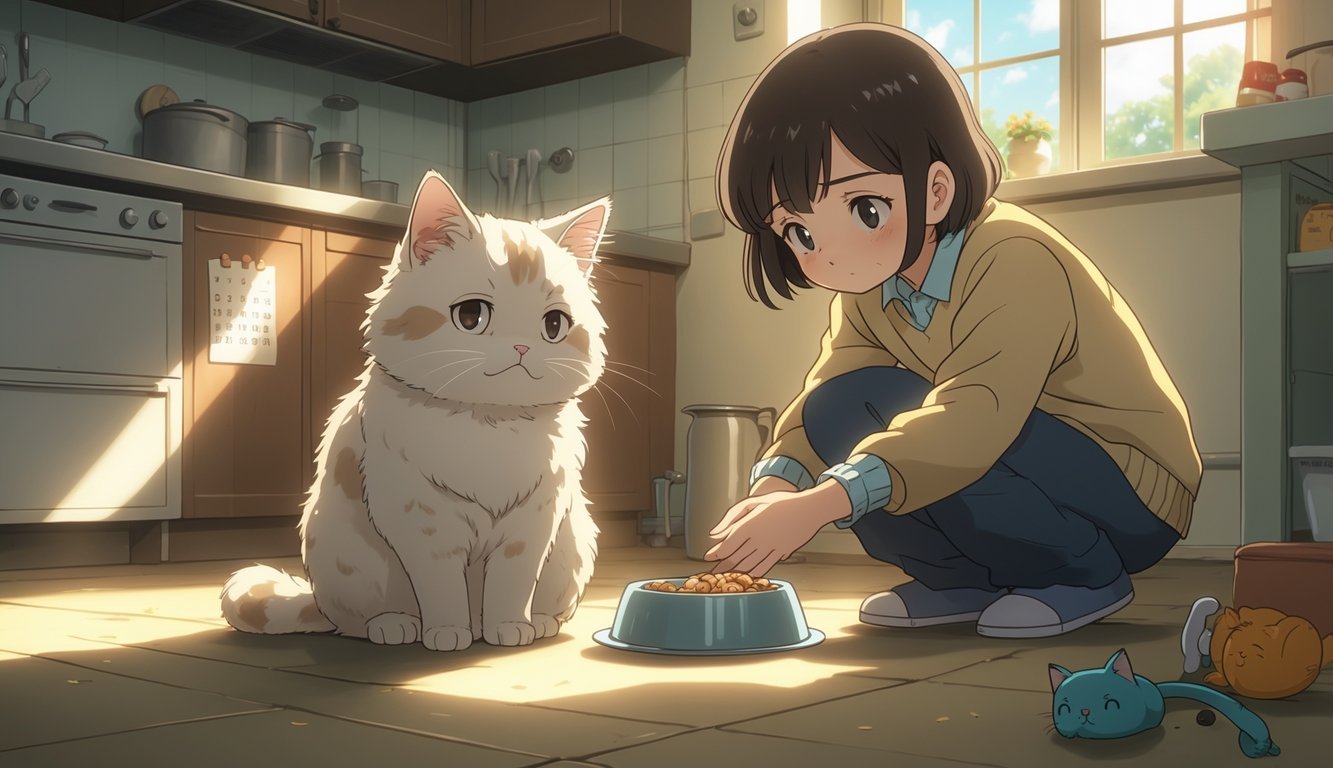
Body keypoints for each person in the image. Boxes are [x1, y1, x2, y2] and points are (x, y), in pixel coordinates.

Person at [703, 23, 1202, 639]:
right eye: (799, 232)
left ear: (936, 190)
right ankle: (962, 578)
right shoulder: (868, 286)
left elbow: (979, 413)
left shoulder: (1013, 254)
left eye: (864, 209)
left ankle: (1082, 573)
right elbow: (826, 396)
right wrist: (778, 485)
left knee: (928, 422)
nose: (827, 254)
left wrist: (819, 504)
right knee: (840, 406)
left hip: (1126, 488)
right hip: (1018, 457)